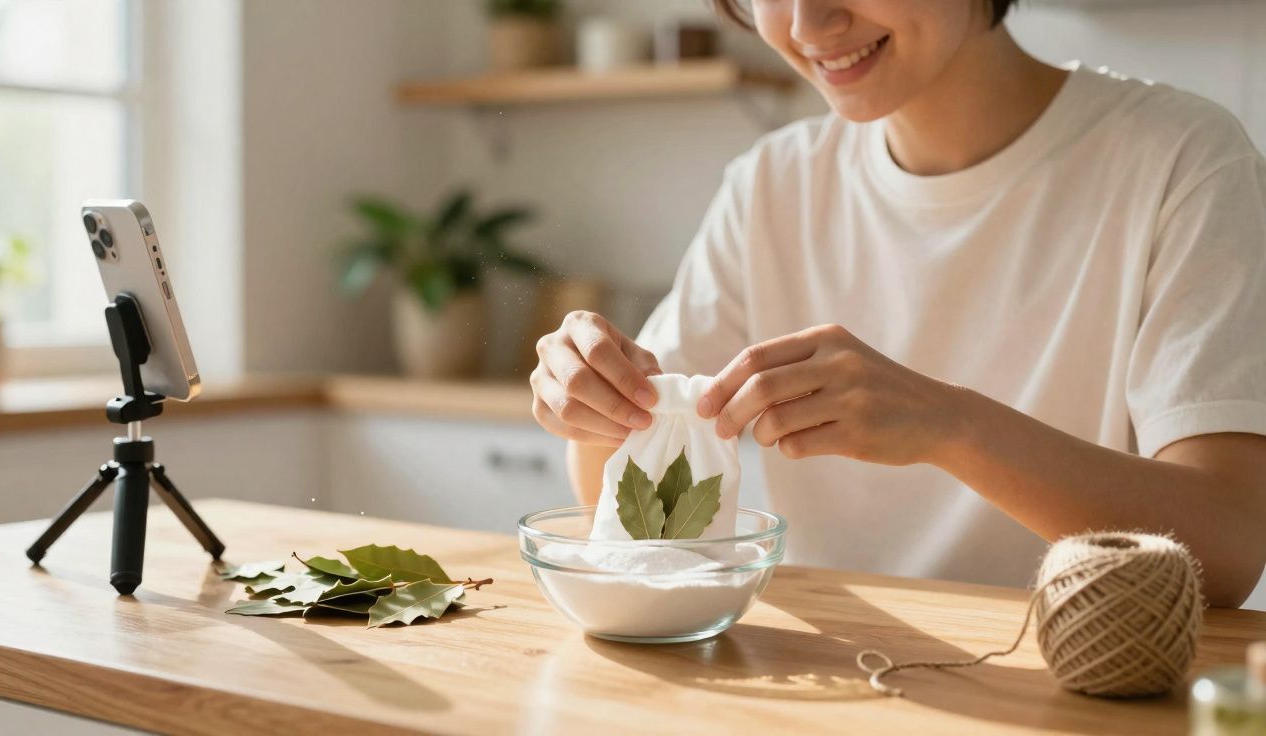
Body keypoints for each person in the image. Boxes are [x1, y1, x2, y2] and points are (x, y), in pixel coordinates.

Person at [529, 0, 1266, 607]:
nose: (807, 23)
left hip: (1073, 687)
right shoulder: (772, 185)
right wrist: (599, 404)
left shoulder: (1180, 161)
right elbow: (609, 491)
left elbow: (1228, 548)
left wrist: (952, 426)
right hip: (828, 689)